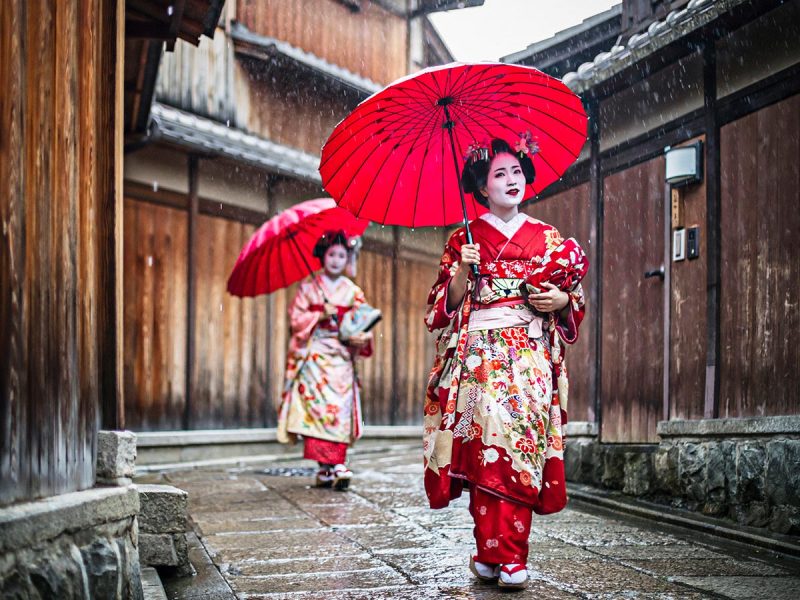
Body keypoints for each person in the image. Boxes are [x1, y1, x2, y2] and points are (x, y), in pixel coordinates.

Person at [422, 136, 587, 590]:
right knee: (483, 448)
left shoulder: (547, 236)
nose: (511, 180)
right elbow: (440, 309)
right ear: (481, 186)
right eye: (499, 174)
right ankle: (486, 551)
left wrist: (559, 300)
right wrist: (461, 273)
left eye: (517, 171)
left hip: (528, 355)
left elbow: (571, 299)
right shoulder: (464, 239)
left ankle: (512, 554)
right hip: (478, 357)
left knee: (518, 446)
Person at [277, 230, 374, 491]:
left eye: (341, 255)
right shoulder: (309, 288)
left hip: (340, 356)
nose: (336, 260)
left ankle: (338, 462)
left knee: (339, 410)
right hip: (315, 356)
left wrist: (359, 335)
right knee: (317, 410)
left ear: (347, 259)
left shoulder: (352, 291)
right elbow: (296, 321)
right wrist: (319, 315)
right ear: (323, 256)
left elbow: (364, 322)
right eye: (331, 254)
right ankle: (324, 467)